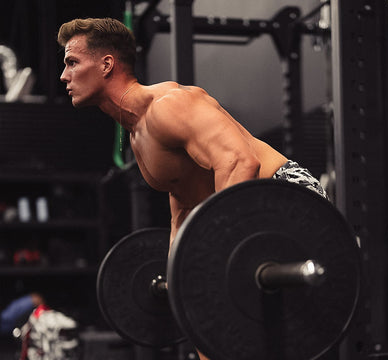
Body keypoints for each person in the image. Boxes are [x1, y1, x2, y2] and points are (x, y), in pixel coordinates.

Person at [57, 17, 327, 360]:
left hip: (288, 196)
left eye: (72, 62)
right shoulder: (137, 136)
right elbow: (183, 207)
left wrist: (214, 256)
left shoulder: (170, 105)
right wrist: (182, 275)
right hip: (243, 214)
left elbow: (241, 162)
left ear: (107, 64)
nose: (63, 76)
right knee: (208, 323)